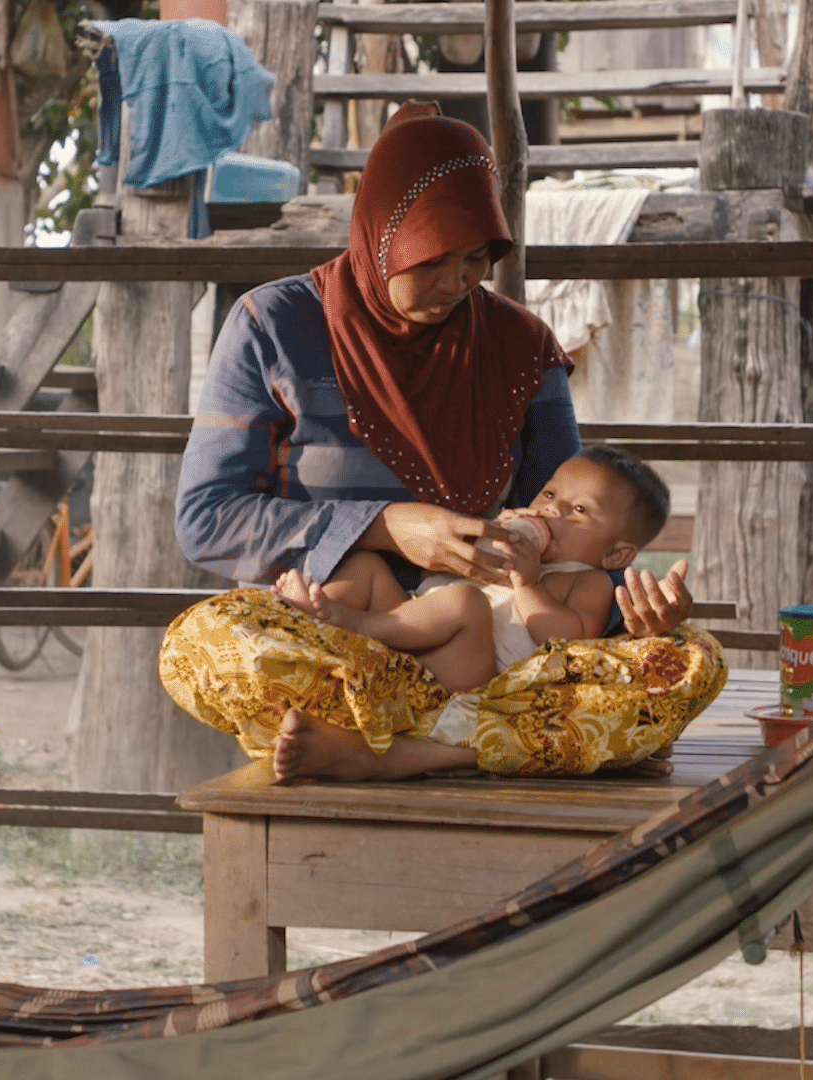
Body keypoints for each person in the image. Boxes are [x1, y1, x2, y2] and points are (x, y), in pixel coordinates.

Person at [160, 102, 721, 783]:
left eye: (476, 259)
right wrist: (383, 526)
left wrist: (637, 621)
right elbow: (206, 522)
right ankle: (503, 741)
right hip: (338, 645)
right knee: (201, 644)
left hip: (493, 661)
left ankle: (401, 751)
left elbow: (569, 520)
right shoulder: (272, 326)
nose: (458, 283)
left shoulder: (519, 347)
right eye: (434, 260)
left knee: (690, 662)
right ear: (382, 235)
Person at [275, 446, 671, 695]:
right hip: (413, 631)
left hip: (466, 675)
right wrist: (493, 533)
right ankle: (315, 624)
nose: (553, 509)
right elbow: (449, 568)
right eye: (550, 493)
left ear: (617, 555)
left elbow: (569, 641)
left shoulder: (587, 580)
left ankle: (350, 625)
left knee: (466, 602)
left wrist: (529, 583)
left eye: (580, 510)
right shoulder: (510, 537)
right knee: (366, 565)